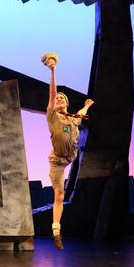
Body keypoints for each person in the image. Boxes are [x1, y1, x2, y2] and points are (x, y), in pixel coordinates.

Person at [43, 53, 94, 250]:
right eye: (57, 99)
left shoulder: (73, 118)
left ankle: (57, 229)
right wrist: (53, 71)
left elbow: (81, 114)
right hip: (57, 161)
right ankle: (56, 230)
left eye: (62, 98)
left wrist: (87, 105)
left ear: (67, 103)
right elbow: (51, 93)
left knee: (61, 195)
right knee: (59, 196)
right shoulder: (53, 117)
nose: (59, 99)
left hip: (70, 158)